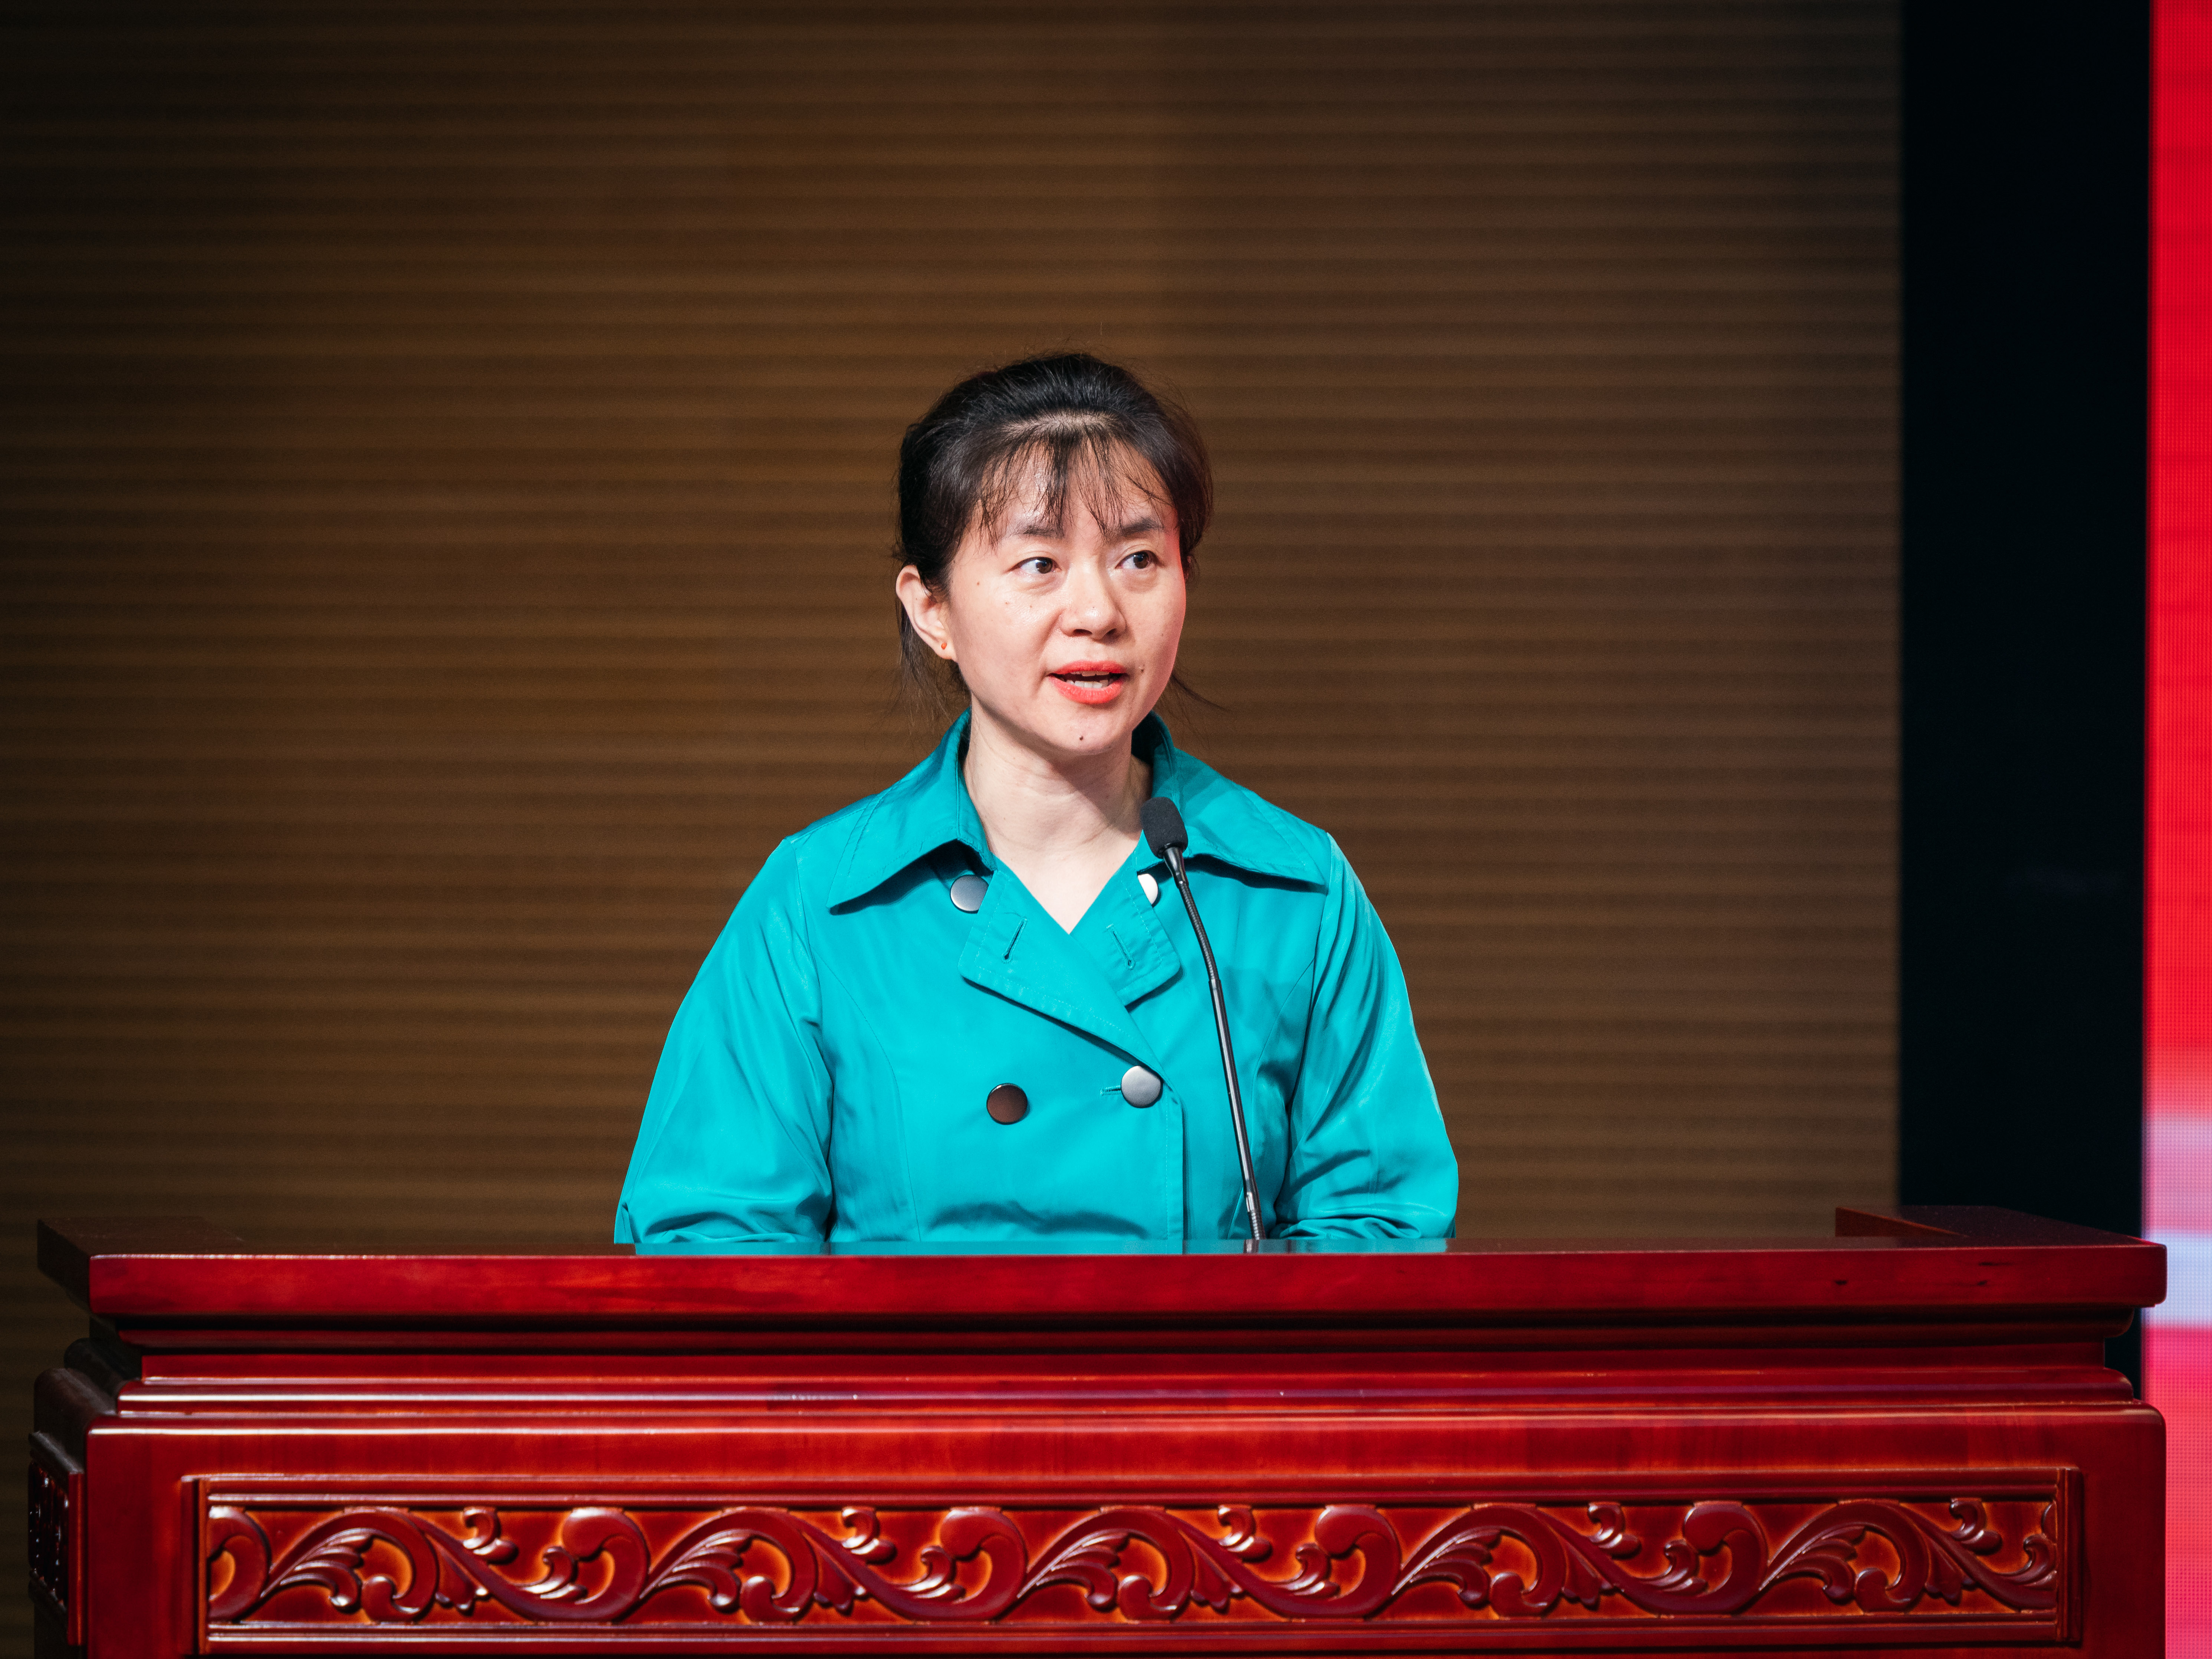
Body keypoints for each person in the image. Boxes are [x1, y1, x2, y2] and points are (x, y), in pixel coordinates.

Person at [615, 354, 1457, 1245]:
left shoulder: (1294, 891)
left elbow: (1383, 1235)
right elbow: (714, 1250)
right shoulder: (820, 903)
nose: (1098, 611)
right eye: (1039, 562)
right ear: (932, 609)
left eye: (1139, 558)